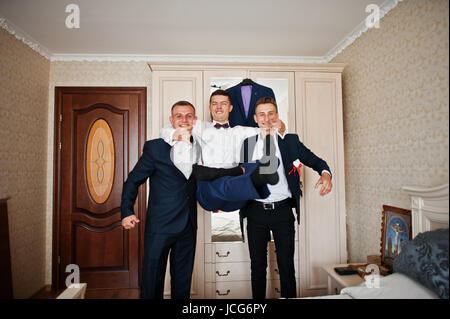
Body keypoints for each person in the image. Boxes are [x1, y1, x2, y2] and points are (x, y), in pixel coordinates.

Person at [240, 97, 332, 299]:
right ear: (255, 118)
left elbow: (316, 161)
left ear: (277, 116)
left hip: (283, 212)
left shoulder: (289, 141)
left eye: (271, 113)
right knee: (257, 268)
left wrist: (326, 174)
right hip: (255, 211)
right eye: (262, 114)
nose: (267, 118)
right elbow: (237, 176)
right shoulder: (247, 144)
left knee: (287, 267)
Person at [120, 101, 200, 299]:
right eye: (179, 116)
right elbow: (132, 180)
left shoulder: (201, 146)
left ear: (195, 120)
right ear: (171, 120)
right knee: (152, 280)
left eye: (189, 115)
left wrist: (217, 202)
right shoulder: (155, 147)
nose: (184, 119)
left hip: (188, 225)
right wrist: (127, 211)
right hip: (160, 225)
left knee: (183, 282)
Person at [161, 90, 285, 212]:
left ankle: (252, 180)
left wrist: (280, 125)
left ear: (230, 107)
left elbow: (266, 128)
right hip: (209, 190)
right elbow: (166, 129)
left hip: (234, 196)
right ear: (210, 107)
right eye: (215, 103)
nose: (219, 107)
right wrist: (177, 134)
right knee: (217, 178)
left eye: (223, 103)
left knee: (270, 161)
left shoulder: (241, 131)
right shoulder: (198, 127)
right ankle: (254, 182)